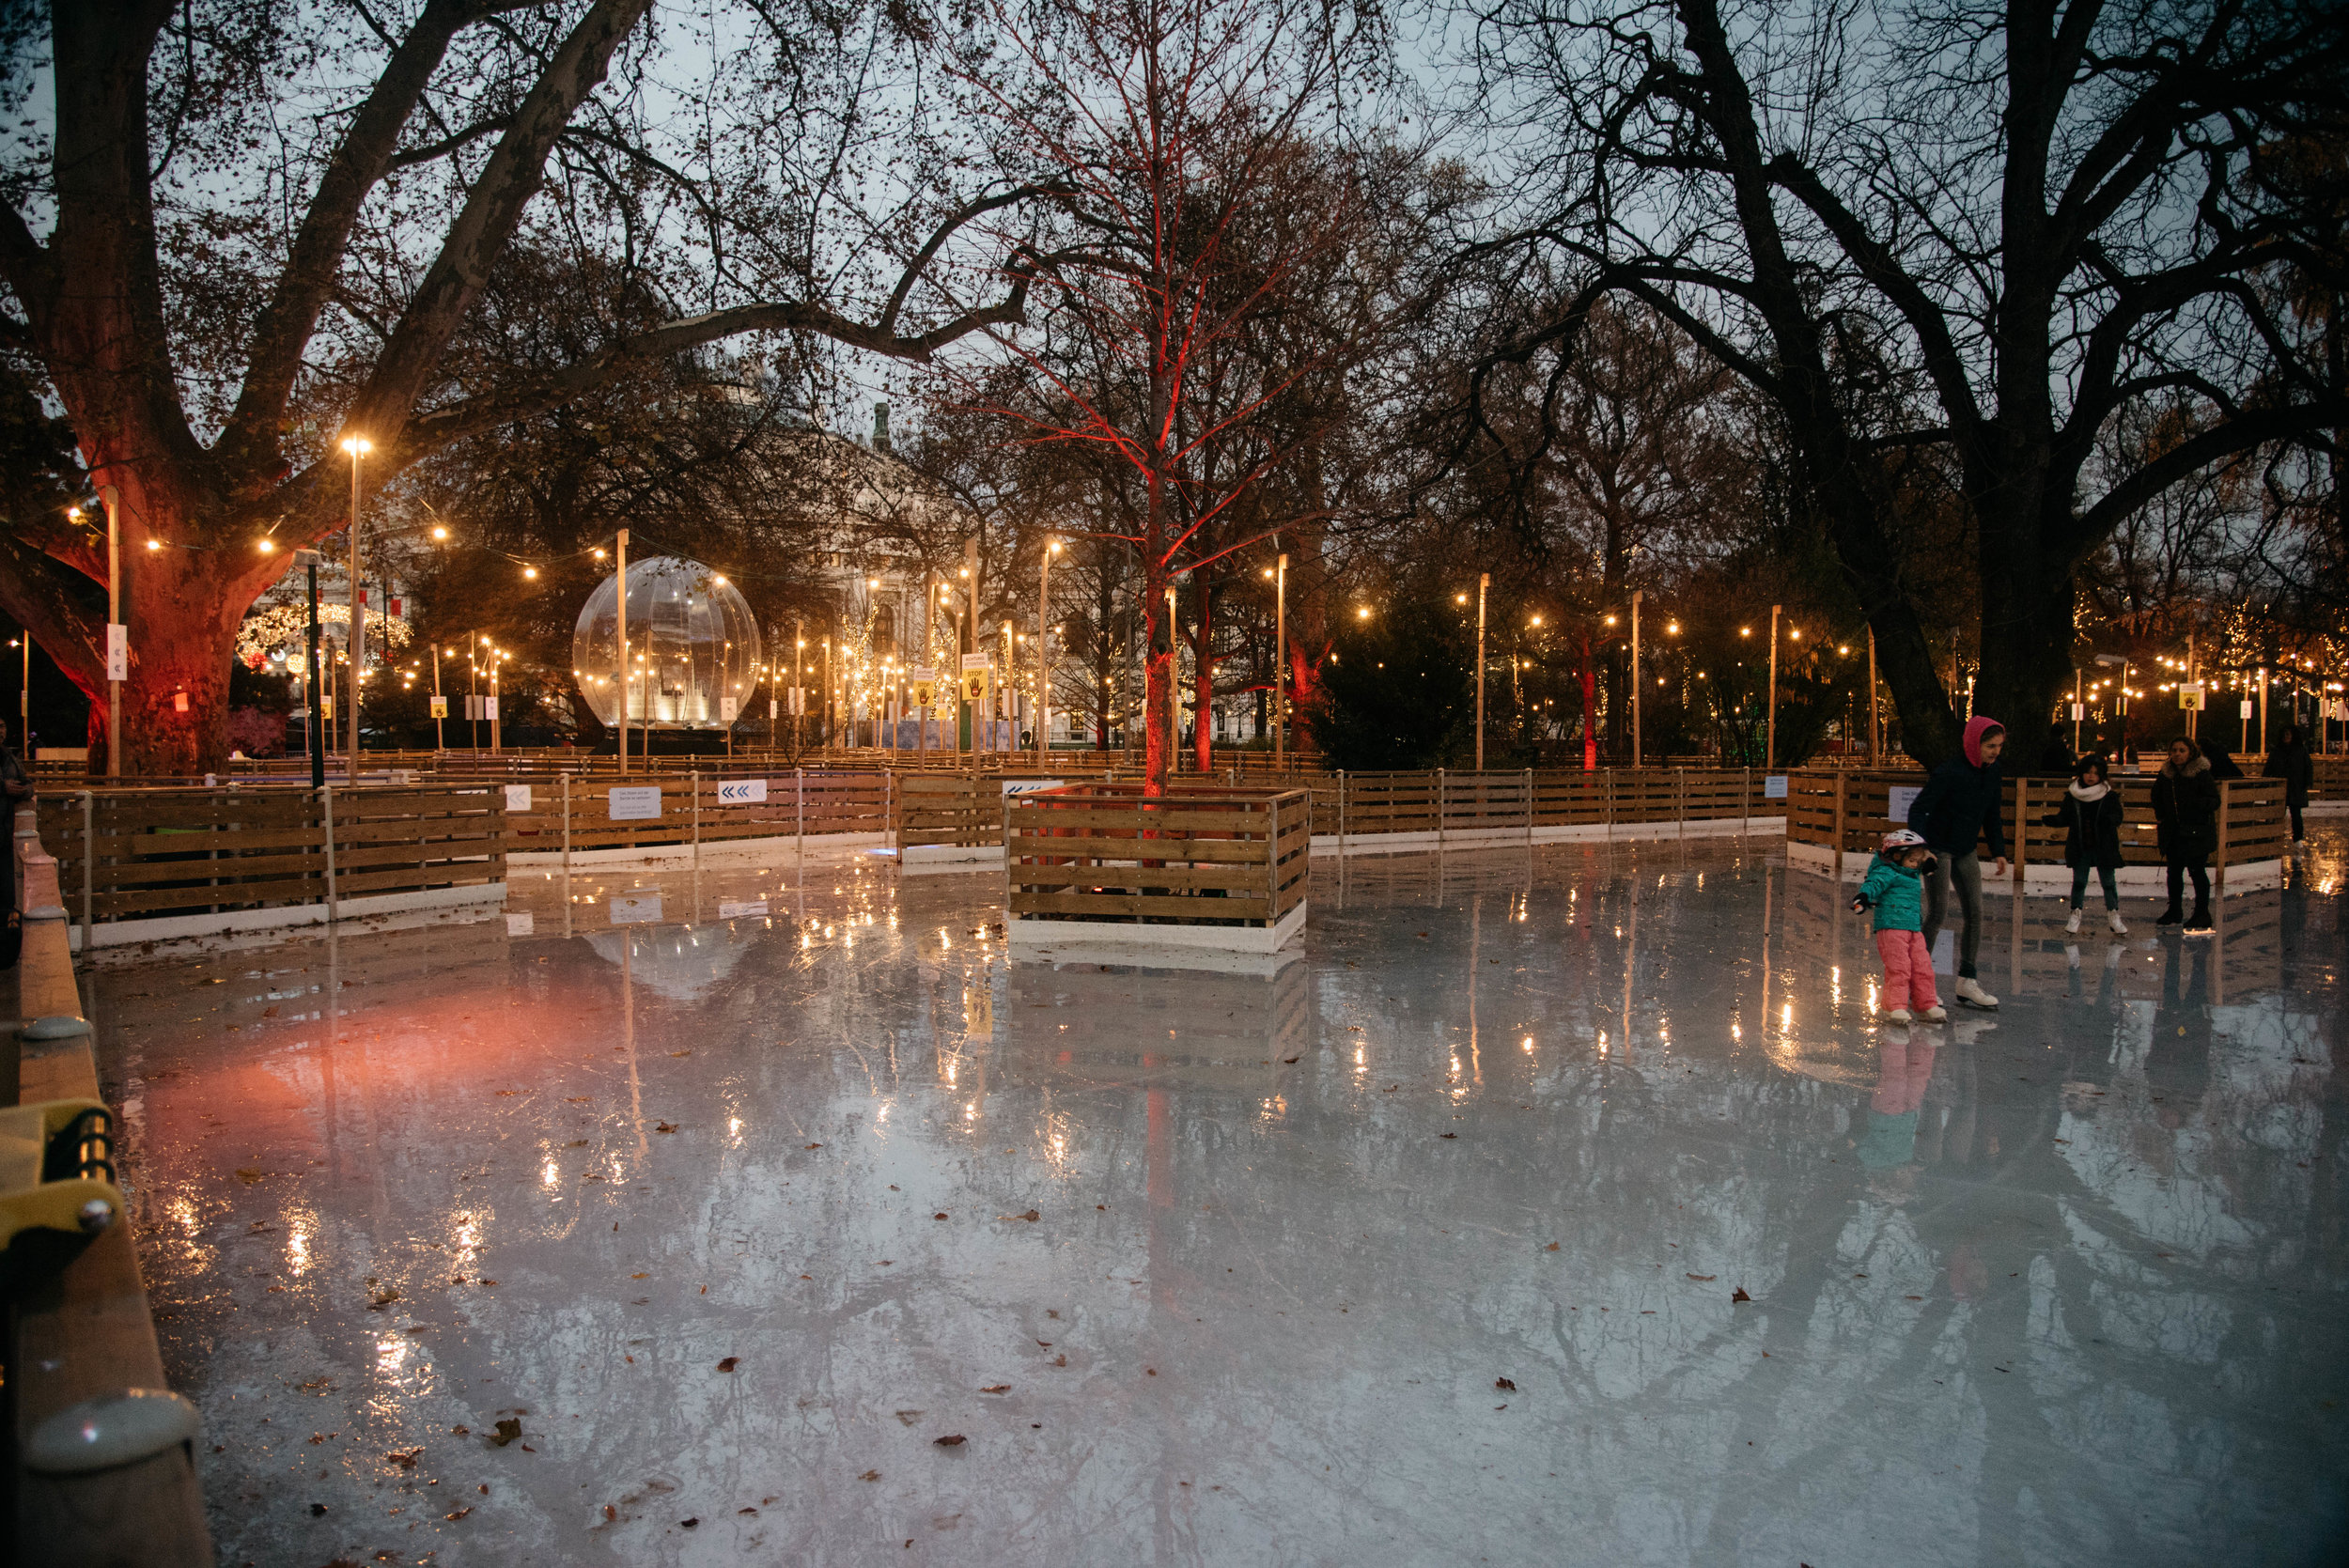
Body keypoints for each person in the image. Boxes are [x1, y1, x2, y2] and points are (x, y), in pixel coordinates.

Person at [1907, 715, 2008, 1009]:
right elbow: (1919, 810)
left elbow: (1992, 814)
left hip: (1966, 849)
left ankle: (1967, 980)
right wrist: (1922, 848)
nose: (1995, 751)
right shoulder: (1949, 772)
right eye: (1990, 746)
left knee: (1975, 912)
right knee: (1938, 912)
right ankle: (1918, 982)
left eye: (1999, 746)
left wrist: (1998, 850)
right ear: (1974, 743)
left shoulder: (1993, 772)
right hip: (1938, 849)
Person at [1853, 827, 1946, 1025]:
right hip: (1892, 928)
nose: (1915, 866)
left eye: (1917, 862)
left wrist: (1926, 861)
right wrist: (1863, 898)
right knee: (1900, 968)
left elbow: (1929, 866)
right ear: (1896, 856)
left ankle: (1927, 1003)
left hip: (1913, 928)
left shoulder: (1912, 873)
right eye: (1912, 861)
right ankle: (1895, 1006)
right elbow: (1873, 884)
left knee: (1923, 967)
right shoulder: (1886, 872)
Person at [2043, 753, 2127, 936]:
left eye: (2095, 773)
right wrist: (2054, 820)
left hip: (2104, 846)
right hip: (2081, 845)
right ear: (2081, 773)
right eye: (2088, 772)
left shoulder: (2109, 796)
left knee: (2108, 882)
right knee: (2080, 881)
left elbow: (2117, 816)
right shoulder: (2073, 796)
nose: (2091, 776)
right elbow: (2066, 816)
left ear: (2101, 776)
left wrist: (2110, 820)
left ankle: (2114, 915)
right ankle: (2075, 913)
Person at [2152, 735, 2218, 933]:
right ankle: (2174, 910)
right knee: (2173, 872)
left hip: (2196, 832)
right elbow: (2156, 795)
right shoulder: (2166, 774)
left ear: (2190, 752)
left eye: (2182, 750)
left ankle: (2202, 913)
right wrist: (2162, 816)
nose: (2177, 754)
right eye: (2174, 751)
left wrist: (2198, 807)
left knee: (2197, 872)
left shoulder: (2201, 774)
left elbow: (2214, 800)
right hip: (2174, 832)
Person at [2263, 723, 2313, 847]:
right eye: (2284, 734)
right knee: (2276, 813)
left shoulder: (2300, 751)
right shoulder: (2276, 751)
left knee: (2296, 814)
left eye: (2288, 734)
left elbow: (2308, 767)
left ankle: (2297, 838)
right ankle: (2274, 836)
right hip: (2279, 787)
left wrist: (2306, 783)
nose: (2286, 736)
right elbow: (2269, 767)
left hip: (2295, 787)